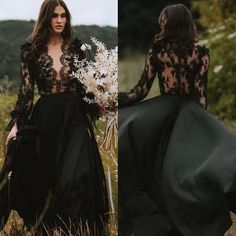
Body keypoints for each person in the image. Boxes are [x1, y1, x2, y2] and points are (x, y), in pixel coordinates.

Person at [119, 4, 236, 236]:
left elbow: (141, 90)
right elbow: (201, 96)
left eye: (163, 20)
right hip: (190, 113)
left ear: (170, 23)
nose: (160, 24)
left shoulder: (158, 51)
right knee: (190, 166)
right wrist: (201, 128)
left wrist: (118, 101)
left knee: (153, 160)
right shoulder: (200, 53)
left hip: (162, 110)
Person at [0, 0, 109, 234]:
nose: (60, 20)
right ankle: (56, 229)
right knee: (50, 177)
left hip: (75, 117)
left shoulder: (76, 48)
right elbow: (26, 92)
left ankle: (79, 228)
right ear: (46, 18)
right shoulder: (30, 52)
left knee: (76, 175)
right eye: (55, 16)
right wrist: (17, 124)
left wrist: (101, 100)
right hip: (46, 118)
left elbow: (85, 88)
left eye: (64, 16)